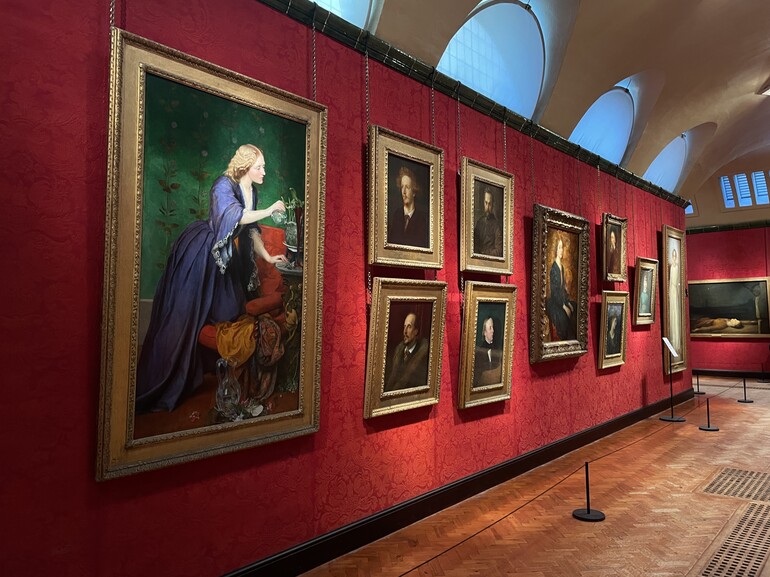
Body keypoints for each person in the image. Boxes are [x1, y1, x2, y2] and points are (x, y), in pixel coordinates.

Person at [136, 144, 288, 412]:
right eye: (259, 167)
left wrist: (266, 256)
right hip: (204, 253)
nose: (264, 171)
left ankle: (216, 370)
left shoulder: (253, 190)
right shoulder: (223, 185)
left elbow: (250, 230)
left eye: (264, 166)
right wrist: (268, 211)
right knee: (188, 315)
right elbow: (234, 216)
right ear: (245, 166)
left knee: (227, 312)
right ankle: (171, 375)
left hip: (229, 262)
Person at [385, 312, 430, 391]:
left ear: (416, 331)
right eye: (404, 327)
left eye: (409, 327)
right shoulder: (396, 352)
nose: (405, 331)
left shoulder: (423, 357)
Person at [387, 165, 429, 248]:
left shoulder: (422, 218)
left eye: (407, 187)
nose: (403, 192)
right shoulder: (396, 215)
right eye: (402, 187)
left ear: (414, 192)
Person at [546, 235, 577, 341]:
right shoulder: (553, 269)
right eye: (559, 247)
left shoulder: (562, 267)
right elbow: (555, 291)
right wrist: (563, 306)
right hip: (555, 302)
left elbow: (563, 288)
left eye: (562, 247)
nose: (561, 250)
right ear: (555, 249)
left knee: (575, 307)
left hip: (563, 300)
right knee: (563, 317)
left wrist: (567, 303)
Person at [473, 187, 503, 257]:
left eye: (490, 204)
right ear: (483, 202)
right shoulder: (479, 222)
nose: (487, 207)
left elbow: (499, 251)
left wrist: (483, 253)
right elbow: (474, 246)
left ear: (493, 205)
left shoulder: (497, 226)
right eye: (486, 203)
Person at [473, 316, 503, 387]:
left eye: (492, 327)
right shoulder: (479, 353)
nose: (493, 330)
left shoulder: (497, 351)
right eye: (490, 328)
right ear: (484, 333)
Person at [667, 247, 682, 355]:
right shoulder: (671, 267)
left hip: (675, 291)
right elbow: (670, 281)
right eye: (672, 256)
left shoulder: (676, 268)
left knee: (675, 314)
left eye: (675, 256)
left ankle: (677, 342)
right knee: (672, 314)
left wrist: (676, 289)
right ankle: (672, 341)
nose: (674, 257)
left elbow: (677, 282)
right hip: (671, 291)